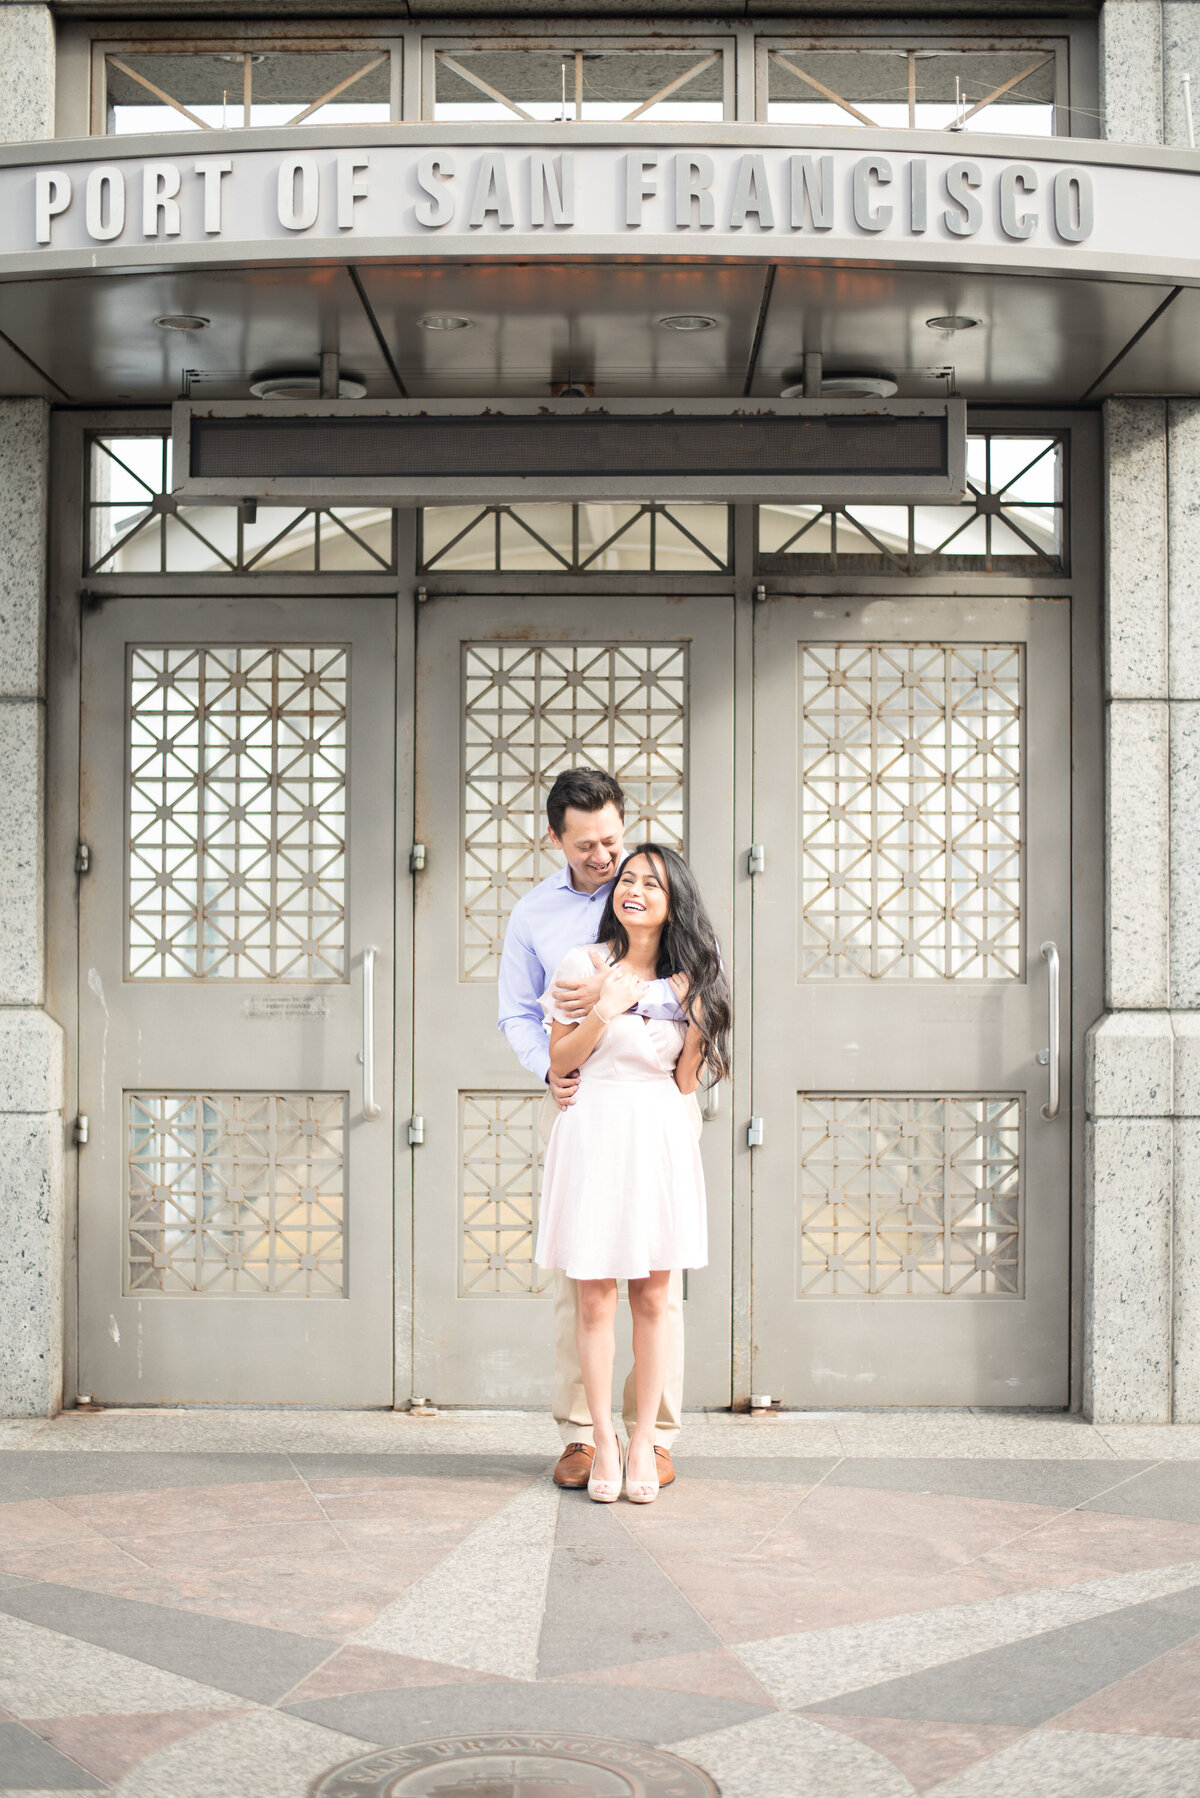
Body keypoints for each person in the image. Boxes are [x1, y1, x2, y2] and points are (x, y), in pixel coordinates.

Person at [497, 769, 692, 1492]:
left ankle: (656, 1434)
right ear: (556, 839)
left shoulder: (652, 887)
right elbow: (518, 1011)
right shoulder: (534, 917)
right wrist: (547, 1070)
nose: (605, 857)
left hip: (658, 1099)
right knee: (583, 1280)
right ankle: (585, 1435)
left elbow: (704, 984)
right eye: (587, 845)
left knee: (657, 1280)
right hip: (585, 1100)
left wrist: (641, 1000)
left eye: (612, 838)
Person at [535, 844, 731, 1502]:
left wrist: (699, 1026)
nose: (635, 889)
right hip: (594, 1131)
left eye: (652, 882)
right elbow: (562, 1057)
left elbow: (682, 1080)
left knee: (653, 1296)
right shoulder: (583, 965)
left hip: (659, 1135)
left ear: (674, 901)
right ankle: (605, 1444)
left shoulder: (687, 983)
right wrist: (603, 1007)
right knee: (593, 1299)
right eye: (628, 879)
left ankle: (646, 1438)